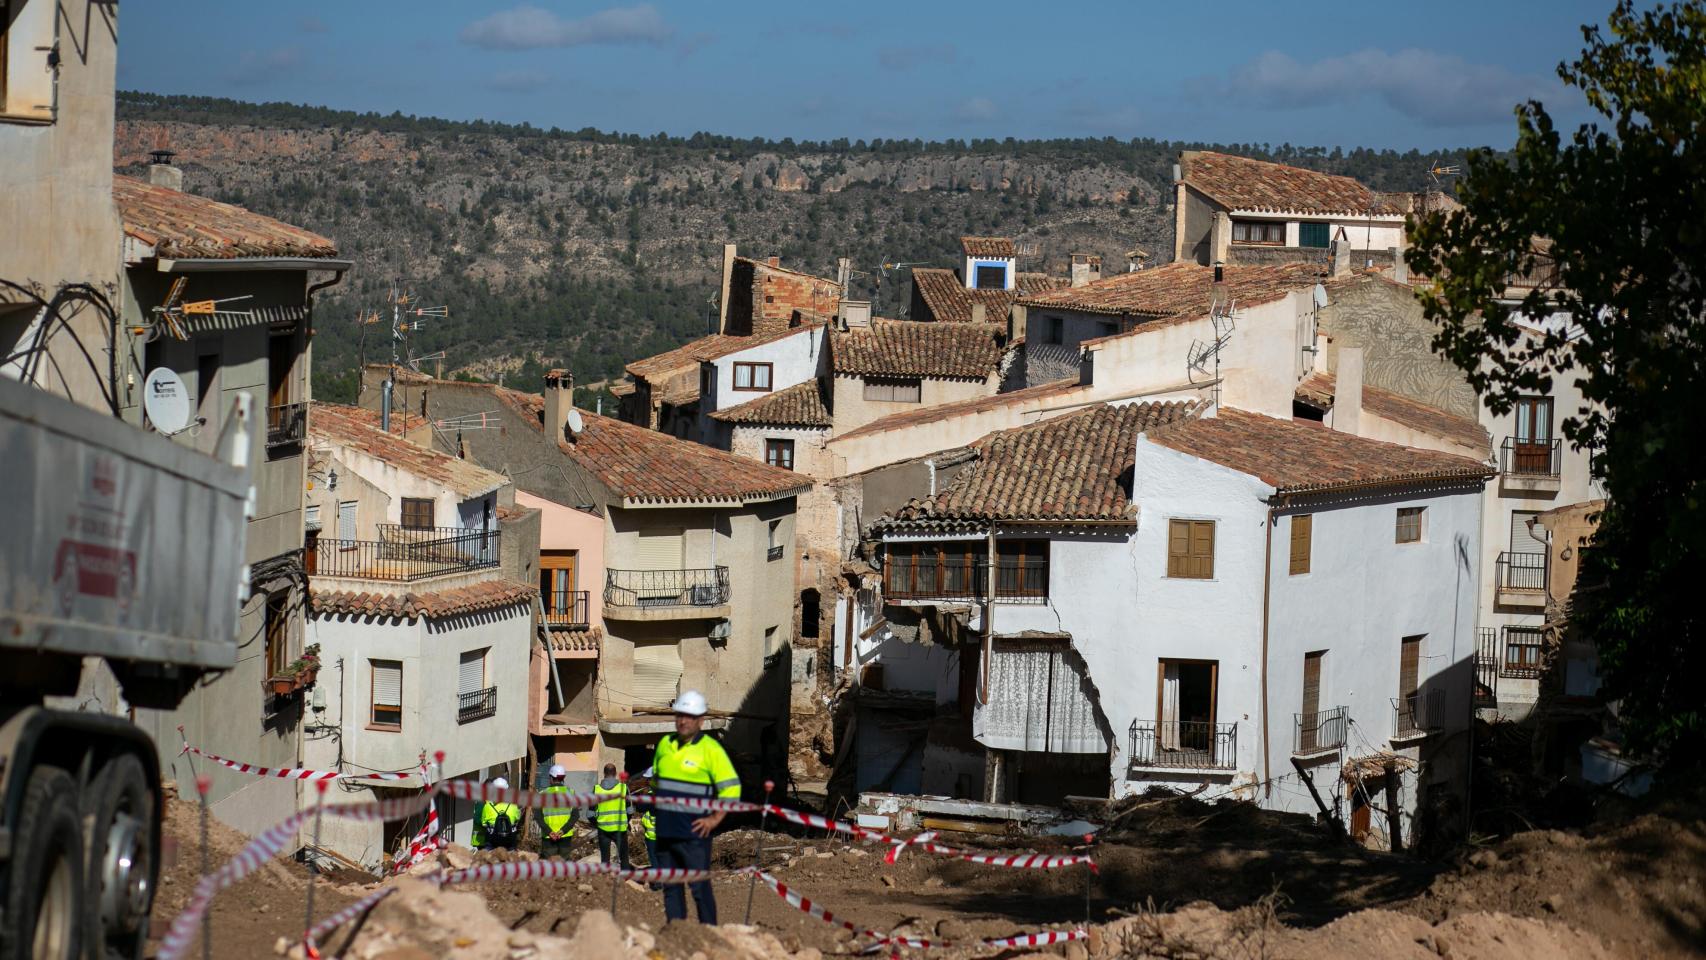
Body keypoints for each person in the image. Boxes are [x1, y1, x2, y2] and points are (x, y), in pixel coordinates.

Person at [651, 690, 739, 924]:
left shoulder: (711, 749)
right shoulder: (664, 745)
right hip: (665, 832)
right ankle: (676, 935)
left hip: (694, 835)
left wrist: (714, 819)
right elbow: (656, 783)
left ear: (701, 720)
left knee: (699, 889)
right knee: (671, 890)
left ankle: (708, 935)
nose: (683, 720)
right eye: (680, 715)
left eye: (689, 716)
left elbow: (731, 789)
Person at [592, 763, 632, 869]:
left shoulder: (596, 789)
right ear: (615, 774)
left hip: (603, 829)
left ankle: (605, 881)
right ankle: (625, 879)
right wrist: (626, 822)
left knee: (605, 858)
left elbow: (590, 814)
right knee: (624, 857)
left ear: (604, 773)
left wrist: (596, 824)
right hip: (620, 829)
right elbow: (630, 811)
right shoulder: (623, 788)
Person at [538, 764, 577, 860]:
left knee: (550, 866)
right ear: (563, 778)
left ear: (551, 778)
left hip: (548, 836)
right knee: (565, 865)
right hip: (565, 835)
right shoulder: (571, 793)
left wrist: (549, 832)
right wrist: (563, 830)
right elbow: (575, 815)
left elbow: (538, 816)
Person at [475, 776, 521, 851]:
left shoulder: (488, 805)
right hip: (509, 840)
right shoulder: (513, 804)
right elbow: (517, 818)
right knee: (512, 854)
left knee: (487, 856)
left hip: (492, 840)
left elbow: (483, 823)